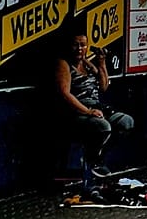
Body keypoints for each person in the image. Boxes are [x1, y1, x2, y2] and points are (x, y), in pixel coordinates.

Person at [54, 25, 133, 199]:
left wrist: (102, 63)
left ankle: (98, 159)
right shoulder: (64, 64)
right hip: (76, 111)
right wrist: (88, 111)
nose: (80, 49)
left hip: (97, 107)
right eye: (76, 45)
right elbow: (65, 93)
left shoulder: (87, 63)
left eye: (83, 45)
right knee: (102, 127)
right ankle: (92, 163)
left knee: (126, 122)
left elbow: (103, 86)